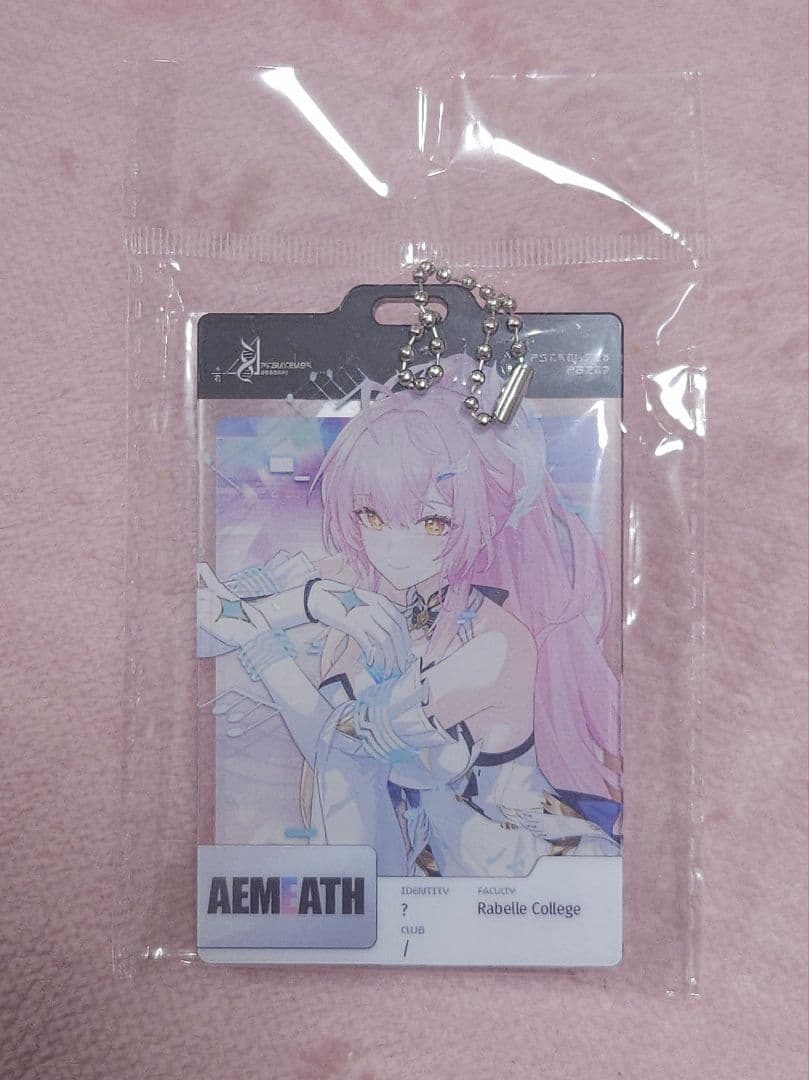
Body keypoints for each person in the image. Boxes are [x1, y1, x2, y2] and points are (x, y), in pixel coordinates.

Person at [198, 358, 622, 876]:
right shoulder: (352, 581)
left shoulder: (494, 645)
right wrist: (307, 601)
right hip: (408, 879)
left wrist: (263, 647)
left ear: (485, 521)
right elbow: (201, 623)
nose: (395, 548)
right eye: (372, 516)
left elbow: (345, 747)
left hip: (519, 878)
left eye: (434, 522)